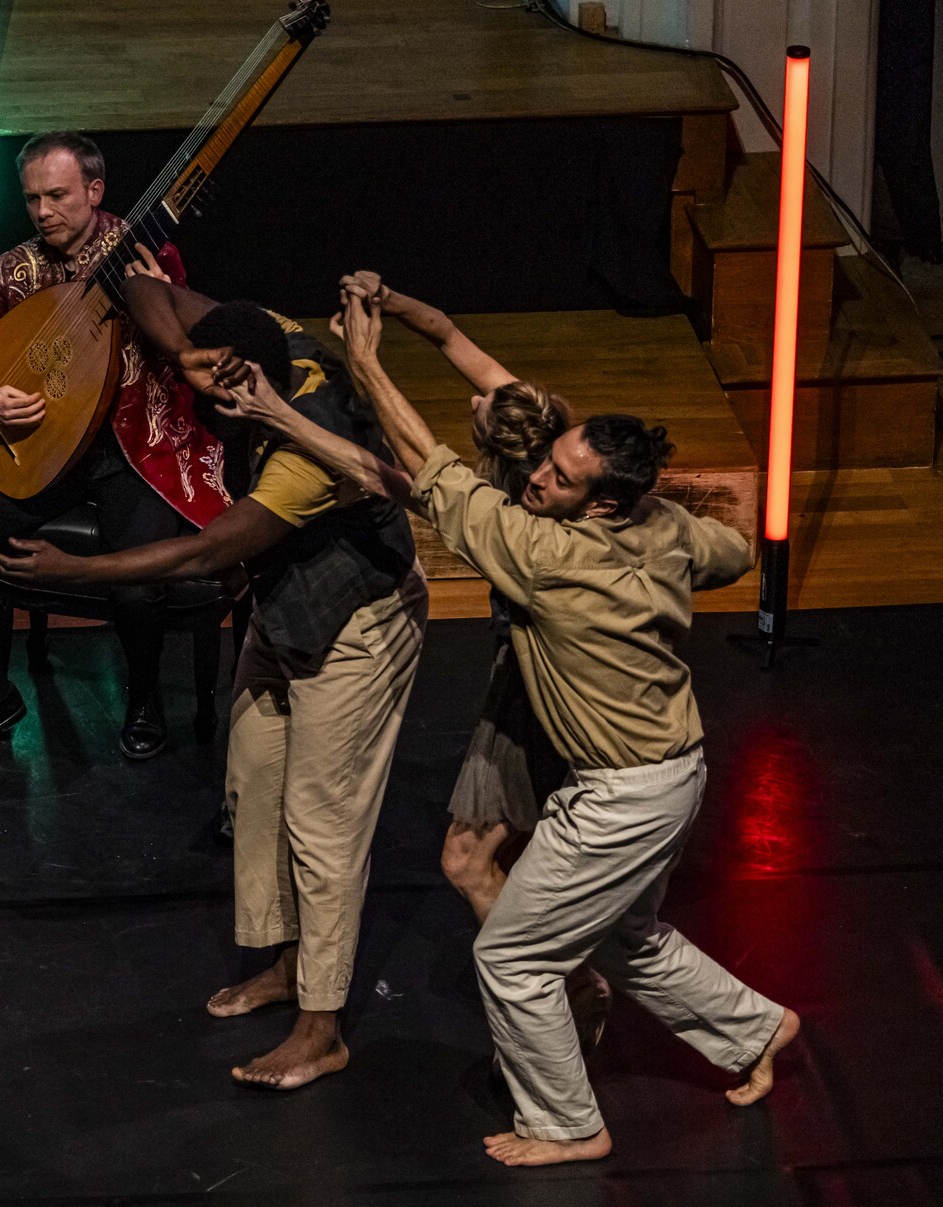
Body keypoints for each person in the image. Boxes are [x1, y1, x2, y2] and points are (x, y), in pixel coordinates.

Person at [228, 287, 798, 1166]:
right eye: (548, 463)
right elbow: (731, 550)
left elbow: (420, 468)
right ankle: (755, 1027)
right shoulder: (659, 526)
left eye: (562, 479)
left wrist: (368, 361)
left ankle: (567, 1121)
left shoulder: (543, 553)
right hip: (672, 770)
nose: (539, 478)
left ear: (602, 503)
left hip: (622, 794)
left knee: (511, 957)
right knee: (625, 933)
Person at [0, 277, 425, 1091]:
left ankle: (321, 1026)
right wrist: (134, 284)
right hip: (283, 606)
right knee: (255, 784)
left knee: (322, 822)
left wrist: (75, 569)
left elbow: (206, 551)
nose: (201, 403)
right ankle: (288, 965)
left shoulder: (307, 444)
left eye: (212, 389)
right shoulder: (260, 334)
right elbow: (165, 304)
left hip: (355, 622)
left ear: (250, 379)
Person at [330, 273, 611, 1046]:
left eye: (478, 409)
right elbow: (450, 334)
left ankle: (562, 989)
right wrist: (386, 298)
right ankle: (566, 976)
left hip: (531, 683)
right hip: (552, 674)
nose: (472, 396)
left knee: (465, 858)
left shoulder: (500, 511)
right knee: (521, 847)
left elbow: (411, 450)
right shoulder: (545, 426)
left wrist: (363, 356)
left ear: (493, 446)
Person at [0, 131, 230, 764]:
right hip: (49, 449)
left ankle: (143, 696)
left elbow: (179, 346)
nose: (42, 212)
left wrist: (155, 288)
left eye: (58, 196)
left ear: (94, 191)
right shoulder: (14, 271)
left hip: (134, 452)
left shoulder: (148, 254)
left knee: (140, 576)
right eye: (32, 198)